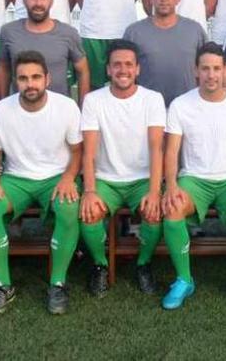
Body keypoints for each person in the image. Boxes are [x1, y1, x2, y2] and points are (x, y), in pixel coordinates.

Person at [159, 42, 226, 310]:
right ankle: (183, 279)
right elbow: (171, 152)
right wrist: (170, 185)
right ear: (196, 71)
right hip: (193, 179)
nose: (211, 75)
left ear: (224, 71)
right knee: (172, 208)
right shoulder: (180, 105)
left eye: (216, 68)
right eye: (205, 68)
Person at [0, 51, 82, 315]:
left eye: (36, 77)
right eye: (23, 78)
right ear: (15, 81)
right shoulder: (0, 110)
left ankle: (58, 283)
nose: (30, 83)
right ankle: (3, 285)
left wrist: (69, 177)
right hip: (16, 178)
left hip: (56, 177)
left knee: (69, 208)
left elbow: (78, 150)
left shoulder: (66, 106)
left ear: (47, 78)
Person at [79, 40, 166, 297]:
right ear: (107, 70)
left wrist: (153, 191)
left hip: (142, 178)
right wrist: (90, 190)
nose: (123, 70)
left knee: (153, 211)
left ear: (137, 69)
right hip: (106, 180)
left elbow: (156, 149)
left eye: (129, 64)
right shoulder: (94, 100)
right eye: (116, 64)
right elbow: (89, 152)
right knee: (89, 212)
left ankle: (143, 264)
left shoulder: (152, 99)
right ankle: (100, 265)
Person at [0, 0, 90, 103]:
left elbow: (83, 71)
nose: (38, 3)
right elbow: (4, 68)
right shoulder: (8, 32)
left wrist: (82, 107)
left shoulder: (68, 33)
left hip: (60, 110)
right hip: (21, 109)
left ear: (51, 1)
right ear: (24, 1)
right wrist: (3, 102)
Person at [123, 0, 205, 105]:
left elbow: (205, 69)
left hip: (189, 107)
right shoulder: (134, 32)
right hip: (145, 108)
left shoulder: (195, 30)